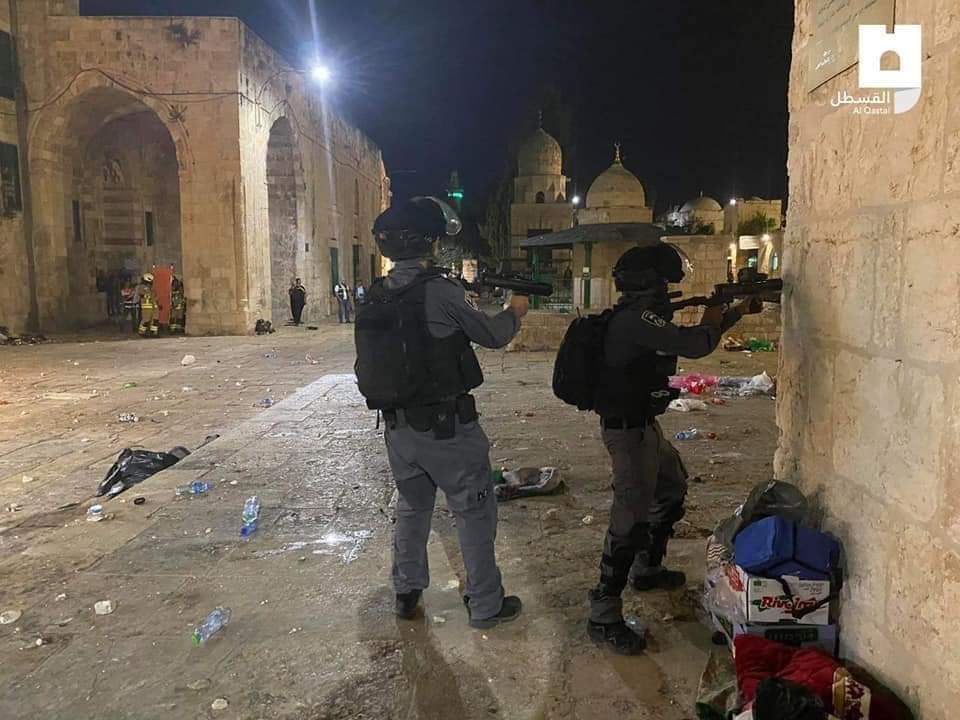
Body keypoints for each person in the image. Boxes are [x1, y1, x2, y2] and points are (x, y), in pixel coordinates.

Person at [354, 196, 530, 629]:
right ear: (430, 242)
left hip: (398, 429)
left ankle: (406, 592)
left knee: (413, 509)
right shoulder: (439, 290)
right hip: (446, 429)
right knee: (473, 511)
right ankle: (486, 604)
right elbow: (491, 334)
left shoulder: (375, 294)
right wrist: (516, 311)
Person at [586, 244, 762, 655]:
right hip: (628, 434)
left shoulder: (640, 318)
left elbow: (688, 339)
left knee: (671, 488)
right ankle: (603, 613)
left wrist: (735, 311)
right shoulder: (635, 320)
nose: (668, 292)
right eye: (664, 284)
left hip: (643, 427)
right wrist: (717, 310)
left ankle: (647, 568)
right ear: (650, 283)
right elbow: (696, 342)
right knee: (628, 519)